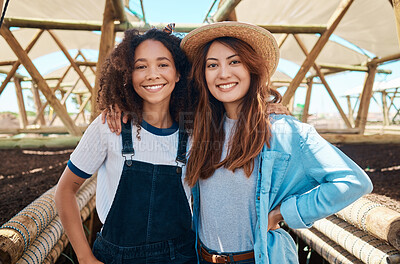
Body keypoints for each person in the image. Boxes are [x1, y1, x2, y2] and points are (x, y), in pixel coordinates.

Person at [179, 21, 373, 264]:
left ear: (252, 67)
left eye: (234, 61)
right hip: (202, 257)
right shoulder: (199, 130)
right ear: (202, 74)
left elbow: (353, 181)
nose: (223, 73)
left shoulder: (283, 131)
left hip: (259, 258)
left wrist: (285, 213)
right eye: (212, 65)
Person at [55, 27, 197, 264]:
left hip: (181, 256)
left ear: (178, 73)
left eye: (163, 64)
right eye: (141, 66)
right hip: (115, 257)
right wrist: (84, 257)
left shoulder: (193, 134)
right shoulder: (109, 127)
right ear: (127, 74)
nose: (152, 74)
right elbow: (65, 190)